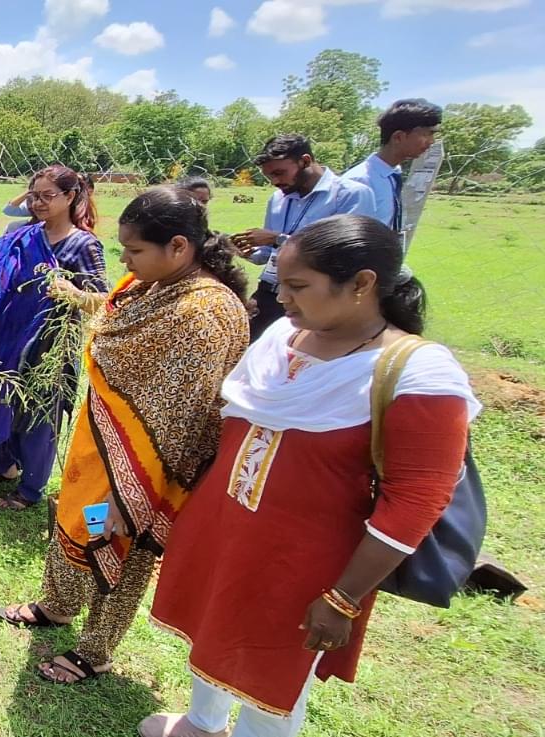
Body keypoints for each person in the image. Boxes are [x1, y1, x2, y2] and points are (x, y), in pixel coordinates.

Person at [141, 214, 478, 737]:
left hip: (309, 559)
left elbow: (416, 500)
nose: (284, 297)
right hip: (227, 527)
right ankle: (203, 723)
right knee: (215, 627)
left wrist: (343, 597)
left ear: (362, 284)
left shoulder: (417, 373)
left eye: (299, 286)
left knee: (277, 661)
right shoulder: (282, 336)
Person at [0, 187, 250, 688]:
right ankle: (58, 605)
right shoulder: (151, 286)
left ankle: (95, 651)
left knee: (121, 549)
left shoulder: (205, 312)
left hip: (145, 471)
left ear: (178, 247)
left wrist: (126, 492)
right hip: (102, 446)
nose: (126, 261)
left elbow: (184, 418)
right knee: (77, 524)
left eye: (134, 251)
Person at [0, 165, 107, 506]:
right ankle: (1, 467)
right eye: (33, 196)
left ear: (71, 196)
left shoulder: (83, 244)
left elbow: (103, 299)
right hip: (5, 336)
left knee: (39, 416)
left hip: (48, 346)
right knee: (0, 398)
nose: (38, 203)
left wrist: (72, 292)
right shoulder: (22, 234)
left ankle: (30, 489)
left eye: (47, 196)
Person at [232, 135, 376, 341]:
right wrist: (248, 251)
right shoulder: (278, 198)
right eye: (269, 177)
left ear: (305, 161)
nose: (275, 182)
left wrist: (278, 238)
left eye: (280, 173)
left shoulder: (350, 195)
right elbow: (267, 255)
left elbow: (346, 253)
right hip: (271, 292)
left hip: (315, 298)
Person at [344, 98, 442, 245]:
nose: (431, 141)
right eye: (427, 134)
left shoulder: (392, 174)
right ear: (399, 137)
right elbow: (348, 240)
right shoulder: (361, 182)